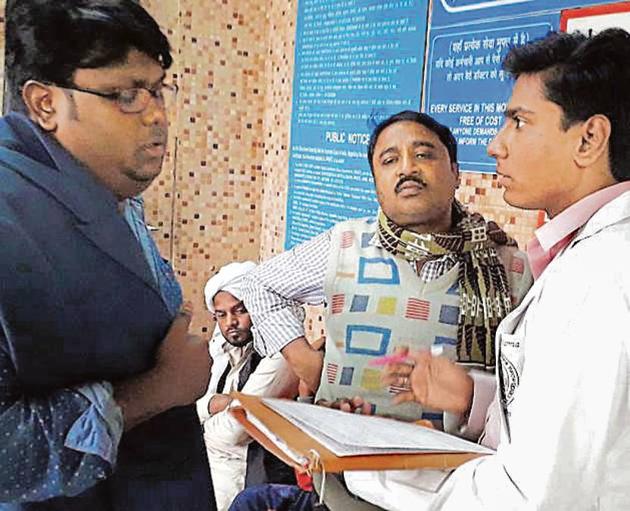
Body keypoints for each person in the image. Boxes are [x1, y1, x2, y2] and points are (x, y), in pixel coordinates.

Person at [384, 28, 630, 510]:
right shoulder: (583, 257)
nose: (497, 145)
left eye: (519, 122)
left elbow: (535, 497)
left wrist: (381, 474)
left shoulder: (599, 279)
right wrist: (476, 399)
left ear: (589, 139)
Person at [236, 110, 533, 509]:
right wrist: (303, 359)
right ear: (376, 183)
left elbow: (530, 391)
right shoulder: (343, 244)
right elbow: (260, 284)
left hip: (454, 490)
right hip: (344, 483)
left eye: (424, 155)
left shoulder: (510, 268)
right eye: (389, 160)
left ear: (456, 171)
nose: (407, 169)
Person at [0, 1, 214, 509]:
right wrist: (159, 390)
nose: (158, 114)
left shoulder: (108, 191)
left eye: (159, 89)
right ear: (44, 103)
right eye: (124, 95)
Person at [198, 262, 298, 510]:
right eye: (221, 315)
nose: (230, 322)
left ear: (258, 308)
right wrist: (213, 403)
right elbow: (193, 400)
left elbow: (232, 430)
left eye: (239, 311)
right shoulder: (224, 345)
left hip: (254, 481)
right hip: (213, 474)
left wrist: (206, 413)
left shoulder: (281, 351)